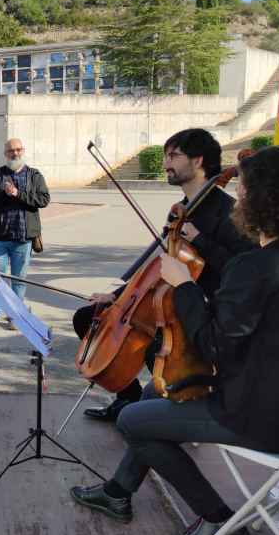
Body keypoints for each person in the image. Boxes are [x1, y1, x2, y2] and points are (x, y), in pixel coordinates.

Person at [69, 145, 279, 535]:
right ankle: (117, 493)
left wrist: (183, 285)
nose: (238, 202)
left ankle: (217, 519)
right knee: (151, 391)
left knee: (132, 421)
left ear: (267, 201)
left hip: (267, 418)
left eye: (245, 193)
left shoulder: (257, 265)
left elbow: (214, 345)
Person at [76, 128, 256, 422]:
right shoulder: (182, 210)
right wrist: (118, 296)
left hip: (203, 307)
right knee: (89, 316)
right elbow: (154, 267)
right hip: (169, 302)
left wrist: (200, 239)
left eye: (173, 156)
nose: (164, 164)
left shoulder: (231, 212)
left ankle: (170, 414)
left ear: (198, 161)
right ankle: (128, 398)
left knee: (155, 347)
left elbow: (241, 271)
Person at [0, 138, 50, 332]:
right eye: (11, 151)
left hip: (23, 238)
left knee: (19, 281)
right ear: (5, 154)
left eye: (18, 149)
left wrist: (17, 193)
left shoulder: (34, 175)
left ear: (23, 151)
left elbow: (43, 200)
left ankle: (15, 317)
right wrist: (4, 193)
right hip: (0, 238)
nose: (15, 153)